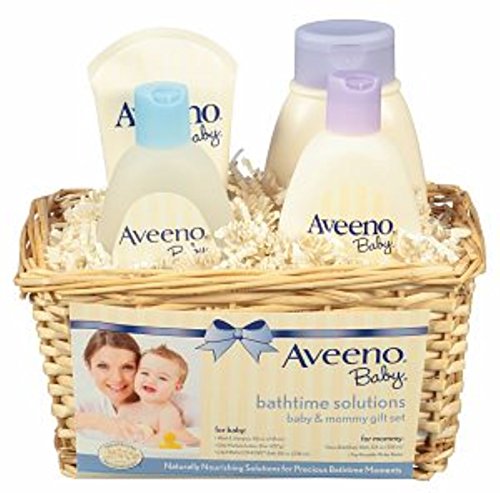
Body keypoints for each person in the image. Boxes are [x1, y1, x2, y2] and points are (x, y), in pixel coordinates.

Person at [75, 330, 150, 442]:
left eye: (127, 367)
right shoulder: (86, 406)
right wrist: (100, 422)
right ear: (89, 367)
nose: (117, 378)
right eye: (103, 366)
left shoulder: (163, 402)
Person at [118, 345, 200, 447]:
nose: (151, 380)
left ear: (177, 388)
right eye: (145, 373)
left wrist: (146, 443)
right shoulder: (125, 409)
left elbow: (169, 436)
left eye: (162, 378)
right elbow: (116, 435)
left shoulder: (167, 412)